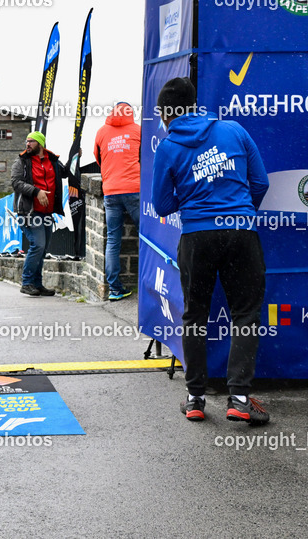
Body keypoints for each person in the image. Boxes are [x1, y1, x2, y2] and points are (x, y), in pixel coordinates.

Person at [152, 76, 270, 425]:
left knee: (194, 316)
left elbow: (161, 205)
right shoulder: (233, 130)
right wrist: (240, 213)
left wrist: (192, 199)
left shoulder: (168, 147)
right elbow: (260, 183)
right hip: (241, 233)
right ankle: (239, 398)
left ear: (165, 114)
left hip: (197, 237)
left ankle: (195, 399)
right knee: (245, 314)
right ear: (193, 105)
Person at [94, 101, 142, 301]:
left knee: (113, 240)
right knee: (146, 236)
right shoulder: (138, 130)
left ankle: (114, 289)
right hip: (134, 189)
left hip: (111, 190)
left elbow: (98, 158)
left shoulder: (101, 132)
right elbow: (145, 156)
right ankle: (148, 284)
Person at [10, 131, 63, 297]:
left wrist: (77, 157)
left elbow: (66, 173)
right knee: (38, 245)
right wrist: (36, 191)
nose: (27, 144)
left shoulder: (52, 160)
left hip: (47, 212)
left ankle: (37, 284)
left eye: (31, 142)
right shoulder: (22, 161)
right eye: (26, 141)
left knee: (43, 248)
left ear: (40, 144)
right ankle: (26, 282)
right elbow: (15, 182)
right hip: (29, 212)